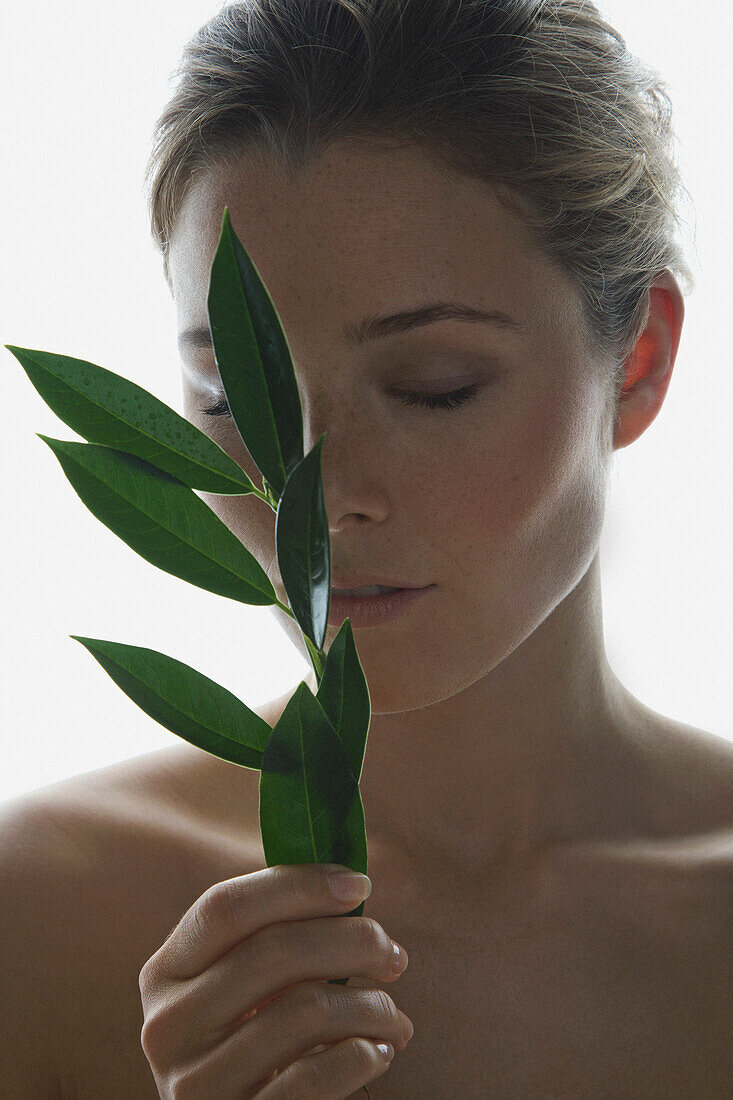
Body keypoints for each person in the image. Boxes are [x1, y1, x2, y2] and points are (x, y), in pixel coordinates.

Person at [2, 1, 731, 1096]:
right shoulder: (45, 909)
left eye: (434, 386)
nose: (322, 497)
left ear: (637, 362)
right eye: (230, 395)